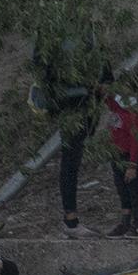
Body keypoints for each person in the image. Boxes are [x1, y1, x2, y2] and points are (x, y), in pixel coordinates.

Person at [31, 26, 113, 240]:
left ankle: (73, 219)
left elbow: (99, 54)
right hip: (68, 101)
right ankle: (70, 220)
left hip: (88, 98)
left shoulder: (86, 26)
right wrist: (82, 82)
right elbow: (42, 67)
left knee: (75, 157)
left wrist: (105, 81)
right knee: (71, 159)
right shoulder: (50, 29)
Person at [102, 89, 138, 237]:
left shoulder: (135, 116)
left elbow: (136, 141)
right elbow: (108, 100)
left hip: (129, 158)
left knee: (133, 190)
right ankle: (125, 222)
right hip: (116, 157)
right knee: (122, 190)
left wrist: (132, 164)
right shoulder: (117, 109)